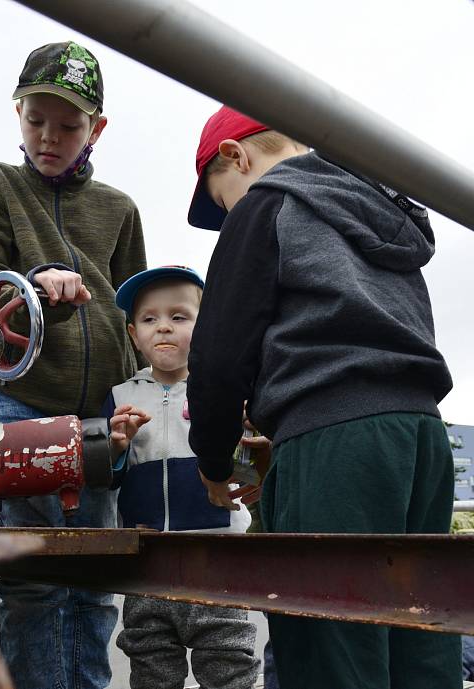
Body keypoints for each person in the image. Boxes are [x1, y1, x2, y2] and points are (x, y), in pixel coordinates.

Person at [185, 105, 461, 689]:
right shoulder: (380, 214)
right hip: (423, 436)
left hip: (335, 440)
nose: (229, 214)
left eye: (223, 200)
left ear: (237, 156)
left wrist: (214, 461)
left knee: (331, 643)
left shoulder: (266, 204)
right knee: (423, 638)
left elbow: (218, 352)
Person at [0, 41, 146, 689]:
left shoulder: (119, 209)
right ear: (18, 112)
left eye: (68, 125)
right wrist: (35, 284)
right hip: (24, 400)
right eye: (36, 119)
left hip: (102, 410)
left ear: (97, 128)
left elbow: (135, 309)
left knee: (93, 576)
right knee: (36, 574)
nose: (49, 136)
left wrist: (145, 392)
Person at [104, 265, 259, 689]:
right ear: (134, 335)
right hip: (147, 556)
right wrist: (116, 448)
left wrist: (244, 438)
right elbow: (108, 478)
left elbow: (250, 475)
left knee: (227, 661)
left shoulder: (230, 393)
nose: (163, 329)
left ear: (205, 326)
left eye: (179, 316)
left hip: (217, 553)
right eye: (149, 319)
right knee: (150, 658)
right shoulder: (120, 398)